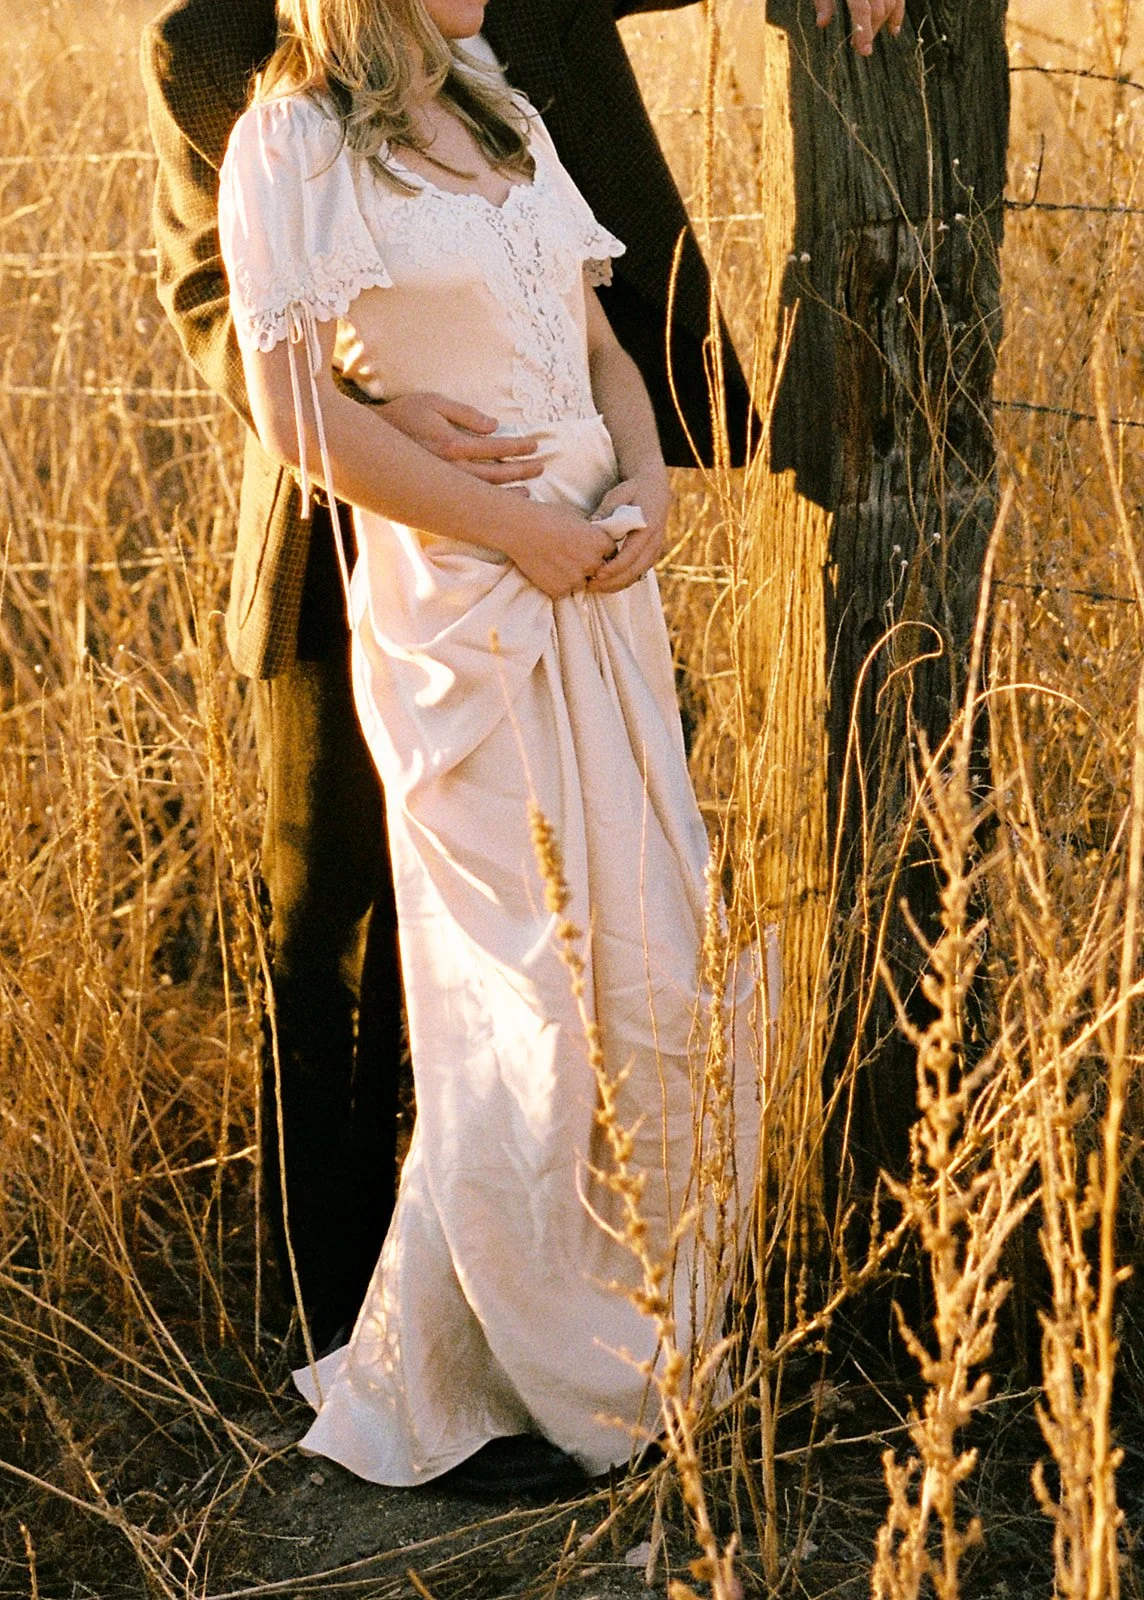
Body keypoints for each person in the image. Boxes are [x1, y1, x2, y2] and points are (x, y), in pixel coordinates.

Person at [141, 0, 903, 1366]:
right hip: (359, 546)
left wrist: (628, 481)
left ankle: (592, 1301)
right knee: (346, 924)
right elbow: (221, 298)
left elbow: (588, 316)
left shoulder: (510, 40)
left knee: (605, 917)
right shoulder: (212, 55)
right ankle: (352, 1318)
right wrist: (366, 417)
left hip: (586, 538)